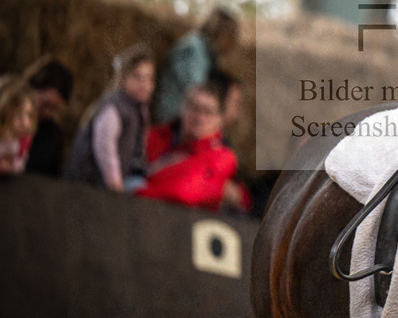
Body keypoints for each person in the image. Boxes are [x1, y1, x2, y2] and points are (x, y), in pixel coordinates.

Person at [137, 81, 250, 213]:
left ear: (220, 120)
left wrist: (137, 190)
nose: (199, 117)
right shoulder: (154, 136)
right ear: (182, 107)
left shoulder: (222, 158)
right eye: (194, 107)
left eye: (208, 112)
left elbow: (184, 193)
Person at [66, 45, 155, 192]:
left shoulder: (139, 109)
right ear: (122, 77)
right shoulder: (113, 108)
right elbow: (105, 149)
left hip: (117, 178)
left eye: (149, 78)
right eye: (137, 77)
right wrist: (115, 184)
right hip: (91, 183)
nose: (144, 84)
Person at [153, 5, 239, 123]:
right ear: (222, 34)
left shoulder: (206, 52)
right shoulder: (195, 49)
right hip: (174, 117)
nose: (230, 43)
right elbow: (196, 89)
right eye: (230, 37)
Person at [25, 59, 74, 177]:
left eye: (54, 109)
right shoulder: (7, 123)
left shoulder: (54, 136)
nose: (48, 113)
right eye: (45, 104)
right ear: (31, 89)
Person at [0, 74, 37, 176]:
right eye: (18, 115)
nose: (26, 123)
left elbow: (21, 162)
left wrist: (11, 167)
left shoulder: (22, 140)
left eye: (29, 115)